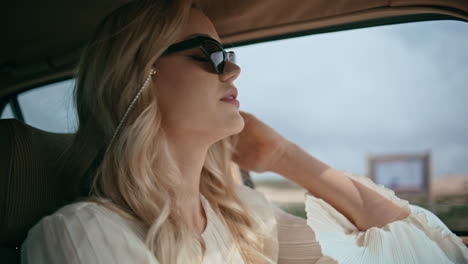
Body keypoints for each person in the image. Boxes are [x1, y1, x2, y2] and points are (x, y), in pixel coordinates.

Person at [21, 0, 468, 263]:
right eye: (211, 54)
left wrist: (282, 155)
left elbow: (417, 246)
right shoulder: (79, 237)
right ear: (140, 74)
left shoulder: (241, 216)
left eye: (228, 53)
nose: (234, 70)